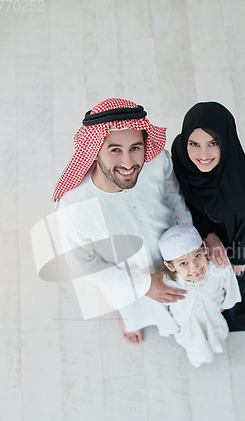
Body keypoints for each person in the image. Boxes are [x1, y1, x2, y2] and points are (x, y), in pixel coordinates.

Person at [53, 98, 192, 344]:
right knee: (133, 309)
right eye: (115, 150)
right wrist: (144, 285)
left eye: (135, 148)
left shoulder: (157, 161)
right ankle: (128, 319)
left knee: (179, 299)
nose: (128, 163)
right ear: (94, 150)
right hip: (126, 277)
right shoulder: (75, 208)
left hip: (172, 255)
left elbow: (174, 195)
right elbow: (84, 265)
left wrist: (187, 238)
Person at [171, 102, 245, 331]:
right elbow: (184, 198)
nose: (203, 155)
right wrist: (208, 233)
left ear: (225, 142)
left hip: (240, 237)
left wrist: (239, 258)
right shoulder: (180, 155)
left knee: (243, 277)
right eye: (194, 144)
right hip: (205, 228)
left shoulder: (237, 181)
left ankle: (239, 310)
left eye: (213, 143)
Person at [155, 224, 241, 367]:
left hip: (213, 316)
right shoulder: (166, 284)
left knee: (214, 333)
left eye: (197, 256)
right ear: (171, 266)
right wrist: (169, 326)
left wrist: (225, 304)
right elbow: (159, 305)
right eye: (183, 263)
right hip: (186, 324)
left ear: (205, 250)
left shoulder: (219, 269)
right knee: (193, 342)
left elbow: (230, 285)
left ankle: (215, 345)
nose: (194, 268)